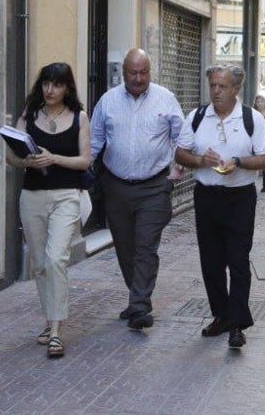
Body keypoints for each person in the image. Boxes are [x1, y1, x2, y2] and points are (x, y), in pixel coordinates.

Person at [175, 64, 265, 349]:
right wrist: (200, 161)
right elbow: (180, 153)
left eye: (222, 86)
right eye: (213, 86)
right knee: (211, 262)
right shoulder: (196, 117)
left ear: (236, 89)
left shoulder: (251, 119)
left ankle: (238, 324)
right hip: (206, 197)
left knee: (238, 261)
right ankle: (221, 315)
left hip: (240, 198)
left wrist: (239, 162)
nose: (216, 91)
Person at [89, 48, 184, 330]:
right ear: (124, 72)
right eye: (134, 73)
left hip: (154, 186)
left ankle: (140, 305)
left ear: (150, 72)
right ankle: (136, 297)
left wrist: (178, 166)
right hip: (116, 186)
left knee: (145, 247)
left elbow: (181, 136)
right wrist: (82, 171)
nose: (139, 78)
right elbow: (94, 142)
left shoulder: (165, 98)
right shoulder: (107, 101)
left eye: (144, 73)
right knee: (125, 247)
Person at [4, 62, 93, 358]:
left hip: (66, 196)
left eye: (56, 84)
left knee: (56, 258)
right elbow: (11, 158)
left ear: (67, 87)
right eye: (45, 83)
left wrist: (53, 158)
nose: (49, 90)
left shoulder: (79, 117)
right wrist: (27, 162)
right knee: (41, 264)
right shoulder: (28, 116)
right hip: (32, 197)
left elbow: (84, 161)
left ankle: (56, 331)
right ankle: (49, 320)